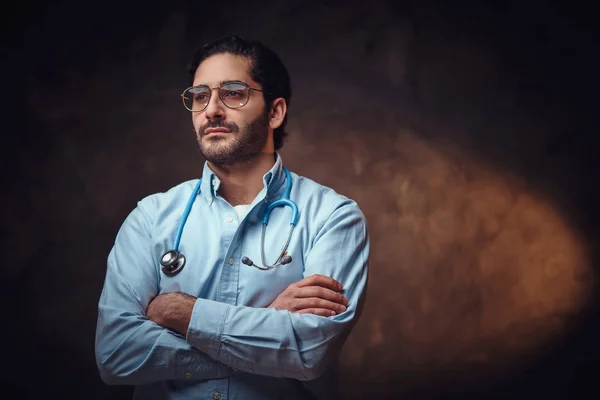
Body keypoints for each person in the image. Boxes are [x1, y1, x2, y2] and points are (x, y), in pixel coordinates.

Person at [94, 35, 370, 400]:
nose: (211, 110)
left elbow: (308, 352)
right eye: (199, 96)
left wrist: (178, 311)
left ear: (275, 111)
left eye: (234, 93)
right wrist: (267, 323)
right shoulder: (151, 217)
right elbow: (116, 354)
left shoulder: (332, 217)